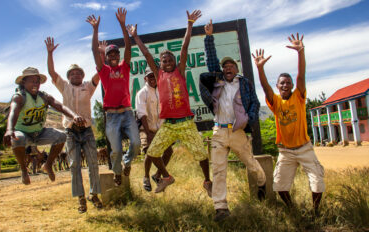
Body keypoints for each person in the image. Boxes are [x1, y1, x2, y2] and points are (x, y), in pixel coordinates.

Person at [126, 10, 212, 194]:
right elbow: (147, 54)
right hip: (169, 125)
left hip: (186, 123)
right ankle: (166, 177)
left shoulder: (180, 71)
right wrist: (134, 36)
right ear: (161, 63)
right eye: (164, 60)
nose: (167, 62)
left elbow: (184, 47)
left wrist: (190, 24)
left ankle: (207, 181)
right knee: (153, 152)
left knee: (202, 154)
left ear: (175, 61)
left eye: (170, 59)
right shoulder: (159, 75)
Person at [199, 19, 266, 221]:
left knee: (251, 164)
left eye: (231, 65)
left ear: (236, 69)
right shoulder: (218, 80)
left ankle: (262, 182)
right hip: (219, 132)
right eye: (225, 66)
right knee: (218, 170)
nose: (228, 68)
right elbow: (212, 60)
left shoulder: (244, 83)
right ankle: (221, 208)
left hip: (237, 132)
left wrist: (249, 120)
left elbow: (254, 103)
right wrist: (208, 37)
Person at [252, 33, 325, 214]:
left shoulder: (298, 97)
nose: (285, 85)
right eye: (282, 83)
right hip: (285, 151)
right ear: (278, 86)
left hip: (304, 148)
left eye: (288, 83)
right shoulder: (275, 102)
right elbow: (264, 87)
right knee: (279, 186)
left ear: (292, 86)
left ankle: (315, 211)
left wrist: (301, 52)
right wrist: (260, 69)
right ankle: (292, 208)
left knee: (318, 184)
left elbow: (301, 75)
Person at [45, 37, 105, 213]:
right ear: (68, 77)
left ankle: (94, 194)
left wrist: (101, 53)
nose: (75, 75)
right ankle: (80, 199)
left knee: (93, 162)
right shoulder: (64, 87)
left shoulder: (89, 86)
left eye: (78, 73)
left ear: (82, 76)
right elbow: (51, 73)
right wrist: (50, 53)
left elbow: (100, 71)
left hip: (86, 131)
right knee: (74, 165)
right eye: (72, 74)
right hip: (71, 132)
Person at [86, 8, 141, 186]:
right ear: (107, 58)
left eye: (116, 53)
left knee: (136, 143)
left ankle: (127, 162)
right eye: (110, 54)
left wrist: (122, 25)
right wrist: (95, 29)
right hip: (111, 116)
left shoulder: (125, 67)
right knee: (116, 149)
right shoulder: (104, 71)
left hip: (126, 113)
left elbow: (129, 46)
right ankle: (117, 172)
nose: (114, 56)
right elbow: (95, 51)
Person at [3, 67, 84, 185]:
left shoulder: (44, 97)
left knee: (61, 136)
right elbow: (13, 112)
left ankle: (48, 164)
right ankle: (24, 169)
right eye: (32, 81)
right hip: (24, 133)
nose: (35, 84)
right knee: (17, 138)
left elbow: (60, 106)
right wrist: (9, 129)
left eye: (37, 81)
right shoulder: (19, 97)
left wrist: (74, 116)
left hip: (40, 133)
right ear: (24, 82)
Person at [135, 67, 173, 192]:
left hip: (161, 128)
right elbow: (142, 115)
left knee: (168, 151)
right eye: (150, 76)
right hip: (146, 127)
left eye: (154, 76)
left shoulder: (163, 90)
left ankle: (157, 175)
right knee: (150, 151)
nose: (153, 79)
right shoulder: (142, 93)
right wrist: (148, 133)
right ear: (145, 78)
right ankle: (147, 177)